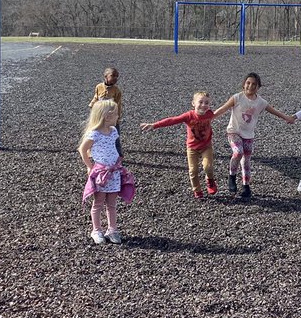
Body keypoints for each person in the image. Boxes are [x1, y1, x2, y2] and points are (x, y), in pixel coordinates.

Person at [212, 72, 295, 198]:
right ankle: (232, 176)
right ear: (243, 85)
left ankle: (246, 187)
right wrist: (209, 117)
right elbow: (223, 108)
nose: (250, 86)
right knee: (238, 152)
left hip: (248, 135)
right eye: (248, 83)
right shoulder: (237, 97)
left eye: (254, 84)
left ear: (258, 87)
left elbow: (274, 111)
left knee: (246, 161)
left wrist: (287, 118)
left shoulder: (261, 102)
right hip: (233, 132)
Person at [140, 91, 218, 199]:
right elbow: (172, 120)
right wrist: (154, 125)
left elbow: (223, 110)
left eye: (207, 103)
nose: (204, 105)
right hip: (192, 148)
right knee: (193, 170)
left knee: (208, 167)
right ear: (193, 103)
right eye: (200, 102)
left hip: (206, 146)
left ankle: (210, 180)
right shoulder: (189, 116)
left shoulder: (210, 114)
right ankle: (197, 190)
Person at [79, 98, 135, 244]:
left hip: (114, 172)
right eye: (116, 114)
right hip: (101, 173)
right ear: (107, 116)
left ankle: (112, 229)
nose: (118, 116)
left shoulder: (113, 131)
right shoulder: (94, 133)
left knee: (112, 203)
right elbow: (83, 150)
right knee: (98, 202)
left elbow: (115, 147)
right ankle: (96, 230)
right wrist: (90, 166)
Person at [90, 66, 123, 153]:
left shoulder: (116, 90)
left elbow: (118, 105)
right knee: (96, 133)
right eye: (113, 76)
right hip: (100, 115)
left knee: (115, 136)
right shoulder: (99, 87)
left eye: (117, 76)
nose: (115, 78)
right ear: (106, 76)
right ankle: (95, 152)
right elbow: (96, 97)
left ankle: (118, 155)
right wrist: (92, 104)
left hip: (111, 117)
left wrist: (117, 117)